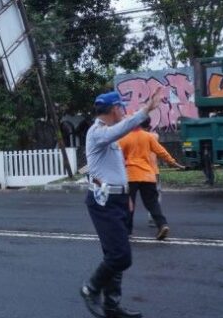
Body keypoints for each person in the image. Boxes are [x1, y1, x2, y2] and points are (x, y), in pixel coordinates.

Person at [80, 89, 162, 318]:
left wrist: (127, 198)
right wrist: (146, 109)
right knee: (120, 256)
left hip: (117, 199)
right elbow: (122, 128)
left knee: (114, 256)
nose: (124, 111)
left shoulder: (108, 134)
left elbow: (116, 170)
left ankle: (112, 306)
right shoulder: (97, 133)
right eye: (122, 107)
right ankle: (90, 289)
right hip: (103, 201)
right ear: (115, 108)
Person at [119, 118, 184, 239]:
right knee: (152, 203)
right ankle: (162, 225)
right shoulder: (148, 136)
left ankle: (127, 231)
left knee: (129, 203)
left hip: (131, 175)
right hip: (148, 175)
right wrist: (174, 163)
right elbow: (161, 151)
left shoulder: (124, 138)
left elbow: (117, 157)